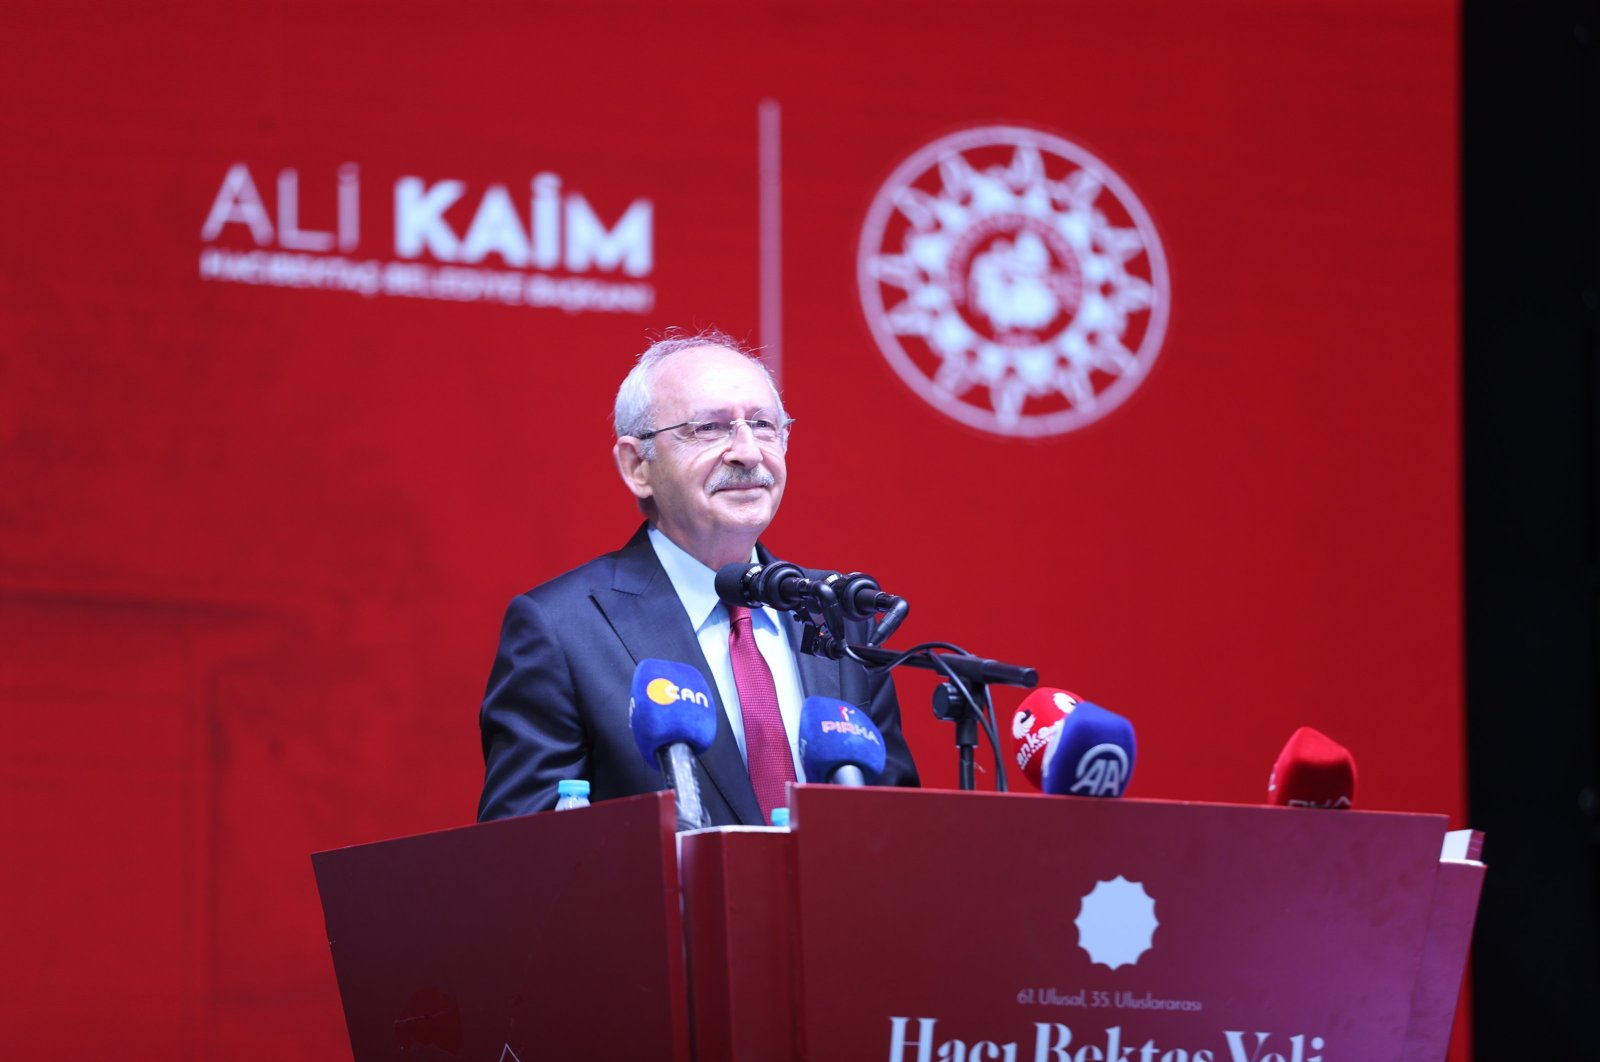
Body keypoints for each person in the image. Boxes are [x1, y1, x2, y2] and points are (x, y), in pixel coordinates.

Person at [477, 330, 919, 825]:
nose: (747, 452)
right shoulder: (563, 630)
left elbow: (895, 824)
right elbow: (520, 860)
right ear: (636, 466)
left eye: (764, 425)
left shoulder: (835, 611)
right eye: (710, 428)